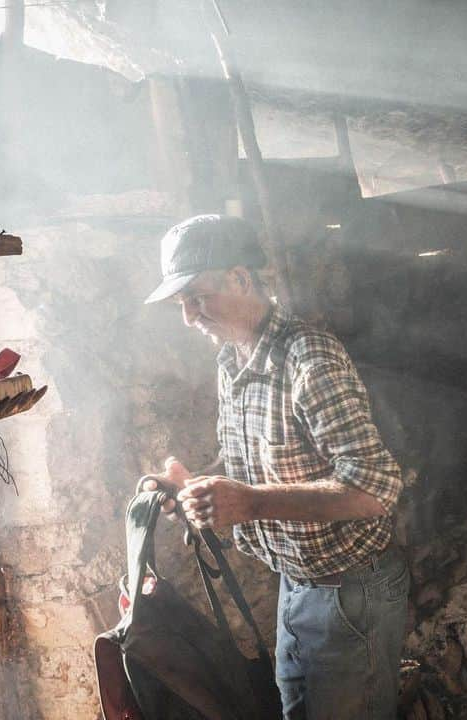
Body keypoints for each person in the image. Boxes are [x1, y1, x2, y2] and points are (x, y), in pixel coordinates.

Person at [139, 214, 409, 720]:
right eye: (182, 304)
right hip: (297, 586)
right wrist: (195, 487)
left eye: (198, 297)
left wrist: (252, 502)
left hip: (351, 592)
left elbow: (375, 486)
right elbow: (250, 462)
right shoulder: (232, 360)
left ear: (241, 278)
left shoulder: (309, 358)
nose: (190, 316)